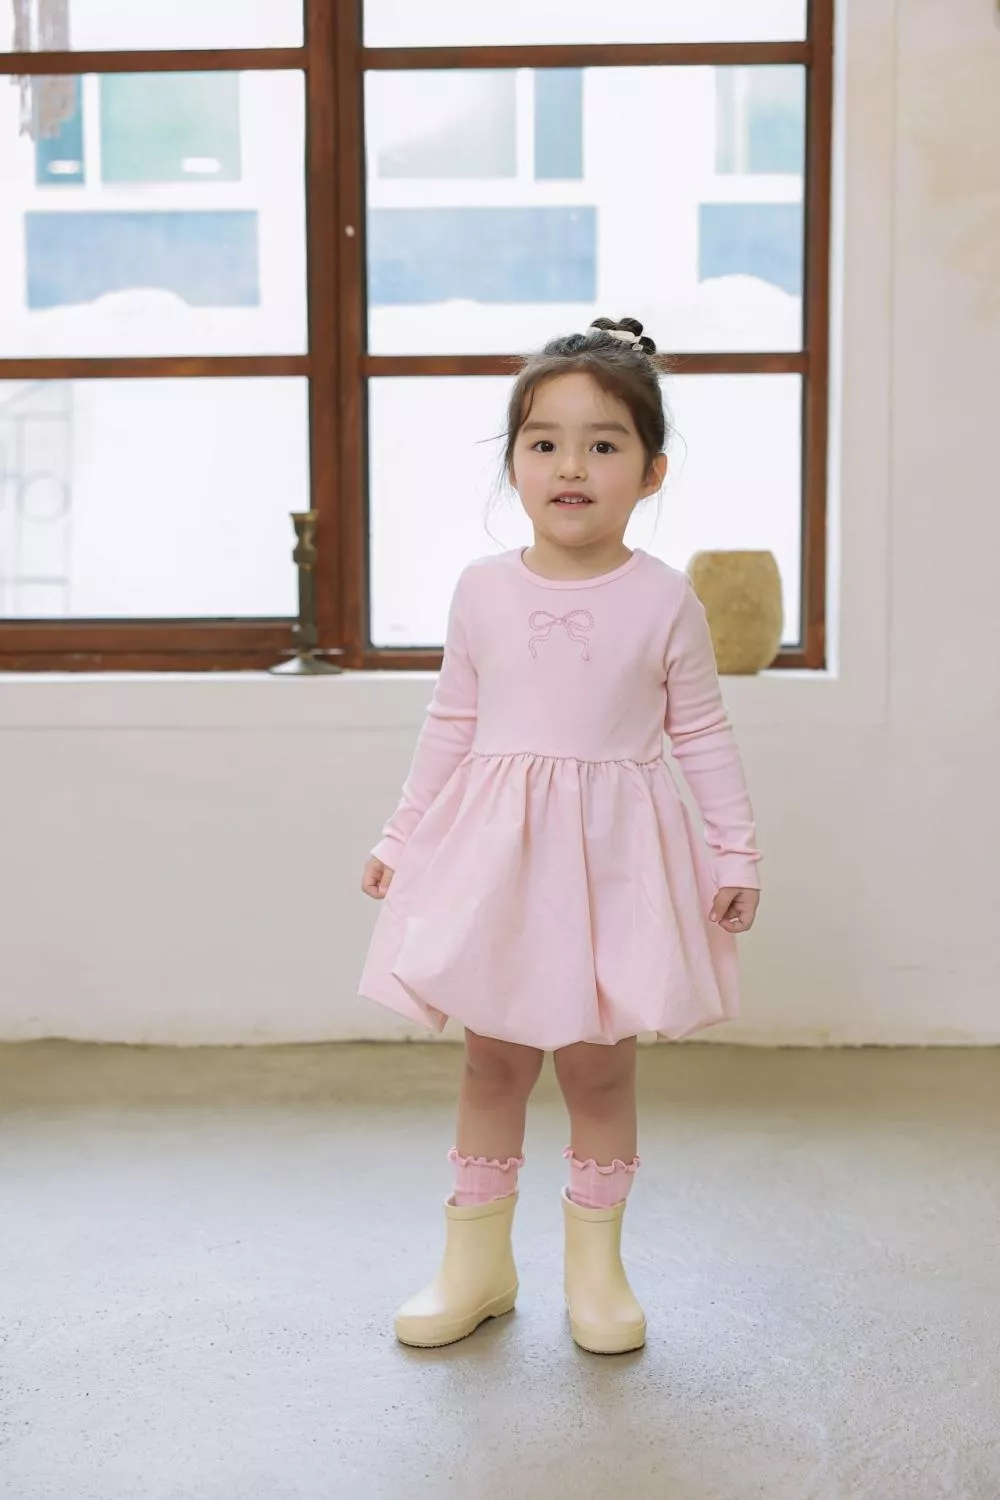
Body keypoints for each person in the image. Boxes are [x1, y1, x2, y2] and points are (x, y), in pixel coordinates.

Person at [359, 316, 761, 1355]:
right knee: (491, 1061)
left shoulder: (664, 599)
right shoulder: (482, 589)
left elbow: (701, 733)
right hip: (498, 863)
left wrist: (735, 852)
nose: (570, 466)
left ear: (651, 470)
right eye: (544, 442)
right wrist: (401, 837)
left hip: (615, 868)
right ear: (515, 464)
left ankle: (597, 1273)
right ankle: (476, 1266)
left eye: (603, 443)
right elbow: (451, 722)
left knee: (597, 1067)